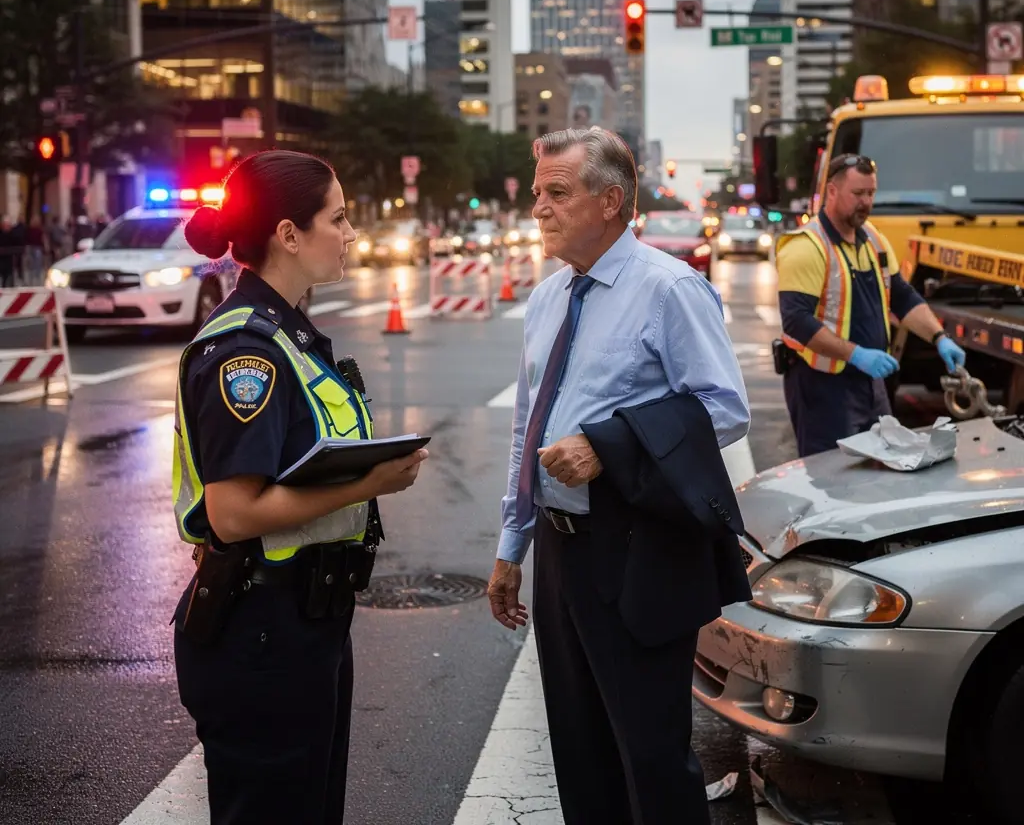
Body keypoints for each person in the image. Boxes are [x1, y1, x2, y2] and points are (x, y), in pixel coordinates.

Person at [487, 126, 752, 825]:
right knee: (579, 748)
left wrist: (611, 447)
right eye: (538, 192)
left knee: (651, 755)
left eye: (557, 193)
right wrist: (511, 546)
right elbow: (528, 426)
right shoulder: (548, 298)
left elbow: (723, 407)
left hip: (634, 548)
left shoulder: (670, 289)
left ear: (611, 201)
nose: (538, 207)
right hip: (557, 545)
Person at [172, 150, 428, 824]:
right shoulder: (246, 354)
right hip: (261, 633)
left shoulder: (288, 333)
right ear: (289, 233)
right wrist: (367, 482)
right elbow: (232, 514)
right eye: (338, 218)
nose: (351, 234)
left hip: (301, 625)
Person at [776, 154, 967, 457]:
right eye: (858, 194)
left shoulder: (874, 240)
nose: (865, 202)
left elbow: (902, 297)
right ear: (833, 192)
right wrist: (856, 354)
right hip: (822, 387)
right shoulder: (806, 246)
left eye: (871, 193)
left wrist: (939, 337)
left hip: (870, 383)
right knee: (831, 480)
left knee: (876, 476)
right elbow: (796, 321)